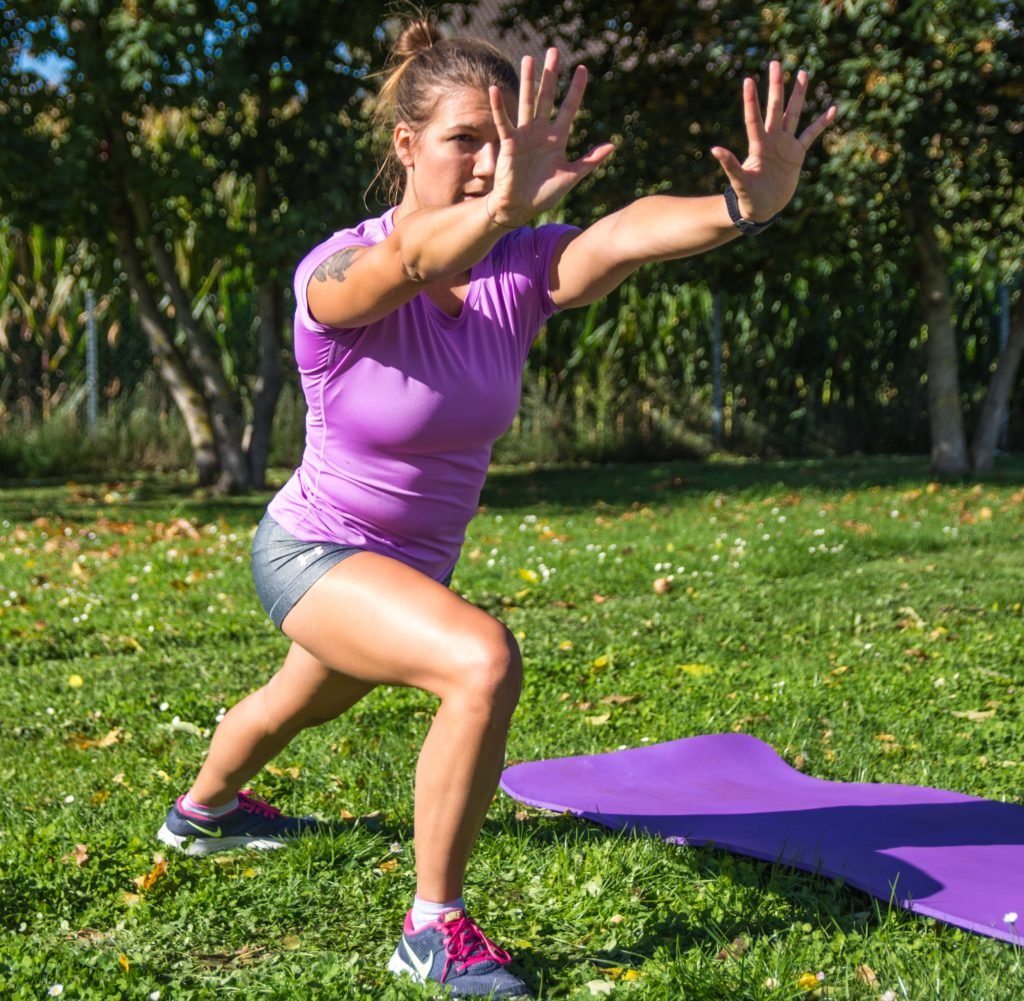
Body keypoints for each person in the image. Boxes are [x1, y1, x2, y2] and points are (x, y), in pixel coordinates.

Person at [157, 16, 836, 999]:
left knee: (294, 701)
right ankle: (432, 927)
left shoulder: (519, 274)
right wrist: (494, 209)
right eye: (462, 140)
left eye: (502, 140)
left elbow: (623, 231)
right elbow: (402, 269)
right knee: (480, 660)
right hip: (312, 549)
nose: (486, 163)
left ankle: (203, 809)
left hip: (404, 574)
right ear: (406, 147)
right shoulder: (334, 272)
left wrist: (742, 206)